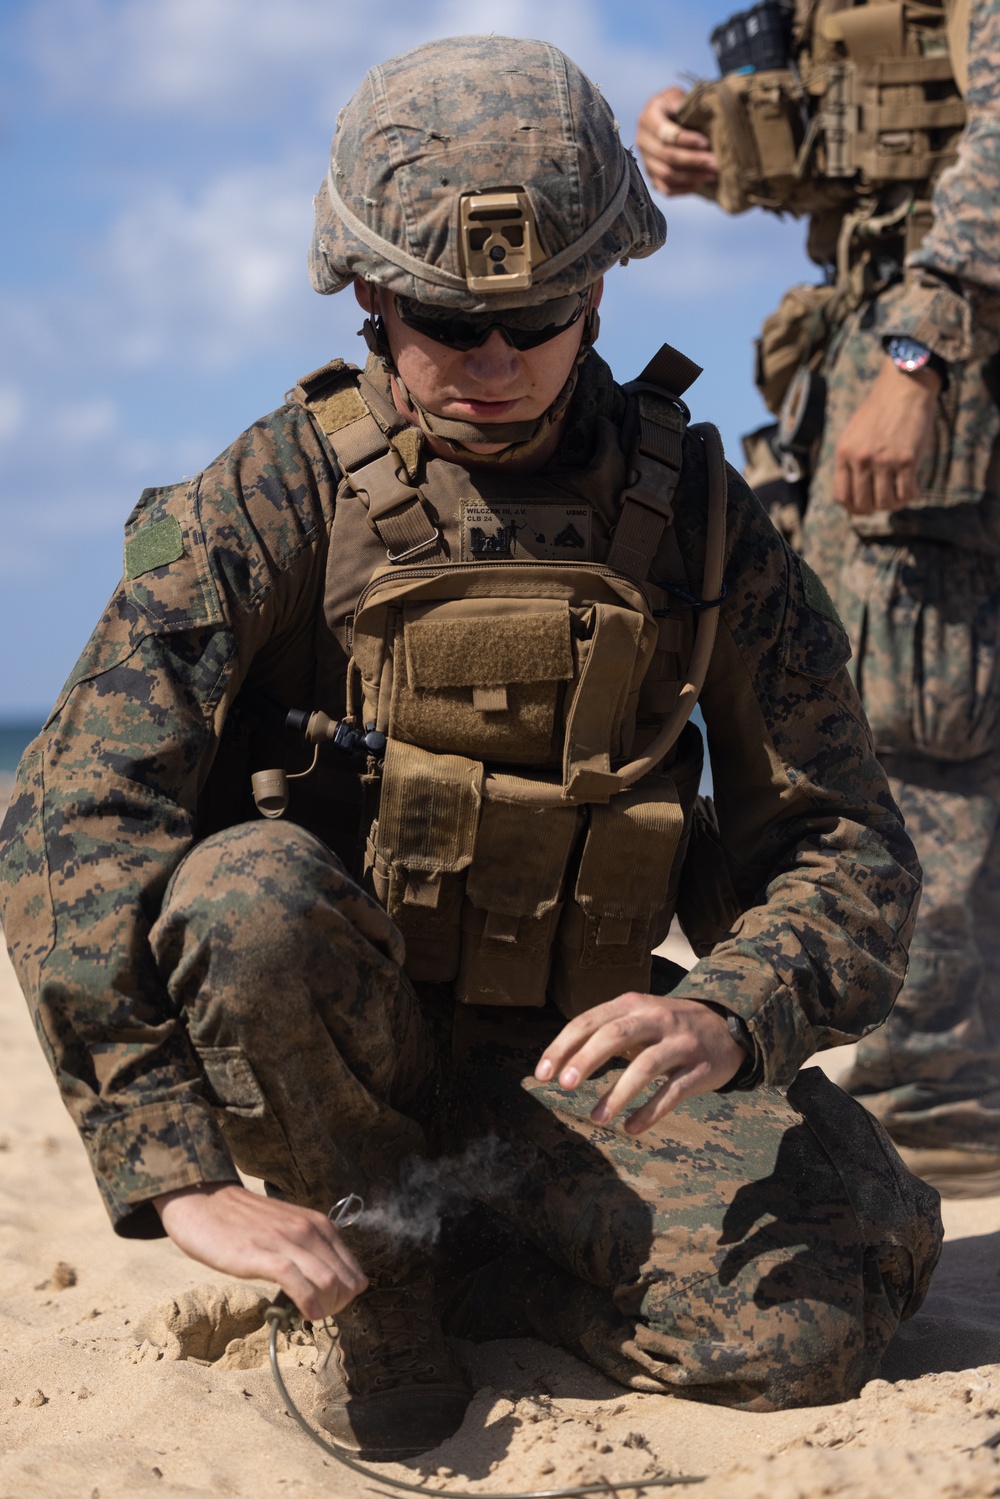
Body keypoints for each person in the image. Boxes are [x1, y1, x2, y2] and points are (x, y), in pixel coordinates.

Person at [0, 34, 940, 1464]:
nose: (494, 359)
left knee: (815, 1315)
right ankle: (378, 1289)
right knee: (244, 895)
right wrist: (169, 1168)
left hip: (574, 1075)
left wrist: (733, 1007)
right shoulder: (266, 497)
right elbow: (72, 819)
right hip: (339, 1070)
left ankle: (467, 1260)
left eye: (538, 315)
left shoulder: (696, 514)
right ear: (369, 287)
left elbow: (844, 840)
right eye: (446, 317)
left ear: (604, 284)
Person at [637, 0, 1000, 1198]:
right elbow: (878, 133)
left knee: (917, 708)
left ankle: (936, 1093)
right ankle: (920, 1081)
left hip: (943, 352)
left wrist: (919, 355)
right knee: (862, 691)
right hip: (884, 320)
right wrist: (716, 142)